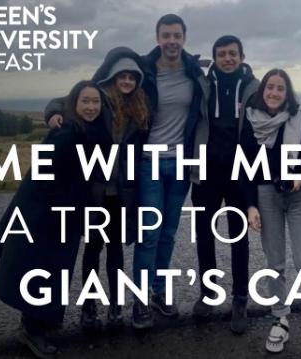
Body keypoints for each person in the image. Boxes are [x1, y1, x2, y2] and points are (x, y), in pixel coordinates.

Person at [0, 80, 108, 359]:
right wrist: (54, 208)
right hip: (47, 214)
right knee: (43, 269)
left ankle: (42, 322)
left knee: (56, 270)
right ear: (74, 104)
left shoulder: (89, 130)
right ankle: (31, 330)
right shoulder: (67, 131)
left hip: (67, 213)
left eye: (95, 102)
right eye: (85, 102)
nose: (91, 107)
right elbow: (43, 174)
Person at [43, 47, 149, 332]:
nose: (127, 81)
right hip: (94, 190)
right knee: (92, 250)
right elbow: (63, 101)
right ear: (113, 77)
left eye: (132, 77)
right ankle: (89, 304)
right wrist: (53, 114)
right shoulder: (99, 98)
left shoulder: (140, 106)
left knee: (115, 250)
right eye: (122, 76)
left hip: (121, 191)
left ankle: (115, 304)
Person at [240, 69, 301, 355]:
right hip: (266, 195)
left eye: (280, 88)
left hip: (298, 195)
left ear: (287, 93)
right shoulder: (251, 121)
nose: (274, 93)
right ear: (262, 91)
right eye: (270, 88)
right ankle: (280, 318)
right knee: (274, 262)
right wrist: (251, 205)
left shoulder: (298, 119)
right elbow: (244, 166)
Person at [131, 13, 209, 329]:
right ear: (158, 37)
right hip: (148, 162)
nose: (172, 41)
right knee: (149, 234)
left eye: (177, 35)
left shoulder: (195, 72)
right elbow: (98, 88)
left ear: (184, 39)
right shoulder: (142, 69)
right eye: (166, 35)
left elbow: (237, 83)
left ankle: (159, 292)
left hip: (180, 164)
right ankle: (140, 299)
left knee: (168, 233)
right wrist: (56, 111)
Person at [190, 35, 259, 334]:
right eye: (222, 54)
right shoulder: (203, 84)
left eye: (233, 54)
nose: (227, 59)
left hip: (239, 174)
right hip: (206, 171)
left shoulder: (254, 88)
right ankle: (208, 293)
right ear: (215, 58)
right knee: (204, 235)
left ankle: (240, 298)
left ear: (242, 56)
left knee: (238, 238)